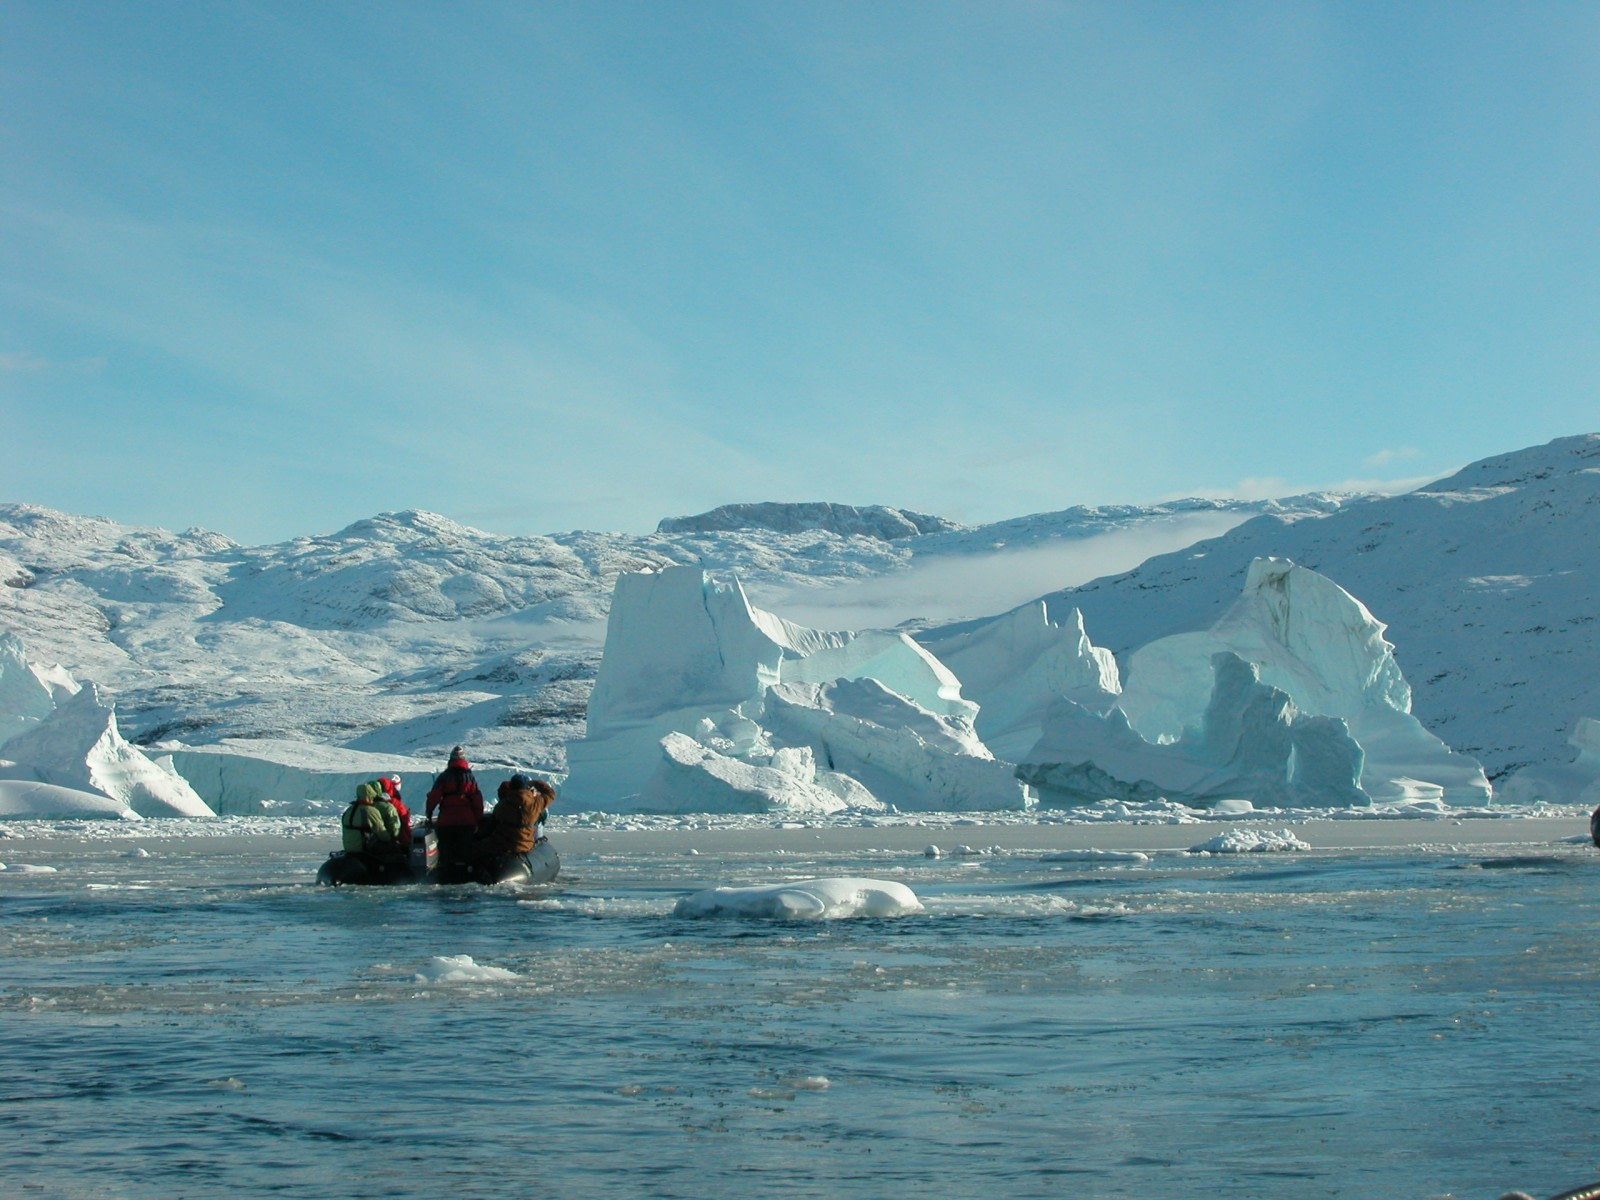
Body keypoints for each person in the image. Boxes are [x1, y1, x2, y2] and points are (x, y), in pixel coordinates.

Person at [474, 774, 554, 883]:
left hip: (502, 844)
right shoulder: (535, 804)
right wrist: (536, 783)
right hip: (524, 845)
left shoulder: (502, 805)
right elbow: (550, 794)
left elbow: (495, 819)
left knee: (475, 847)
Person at [425, 746, 484, 878]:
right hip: (467, 822)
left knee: (446, 852)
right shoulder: (470, 778)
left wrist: (429, 813)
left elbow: (433, 797)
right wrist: (478, 820)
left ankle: (445, 875)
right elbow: (477, 801)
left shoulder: (444, 777)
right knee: (465, 852)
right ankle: (466, 873)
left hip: (446, 822)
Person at [341, 780, 401, 858]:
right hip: (363, 848)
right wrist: (392, 841)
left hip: (349, 848)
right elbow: (381, 831)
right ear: (371, 794)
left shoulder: (349, 810)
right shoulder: (370, 811)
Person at [377, 774, 412, 850]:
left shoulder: (370, 803)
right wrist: (408, 843)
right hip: (393, 842)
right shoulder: (396, 804)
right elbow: (404, 824)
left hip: (375, 843)